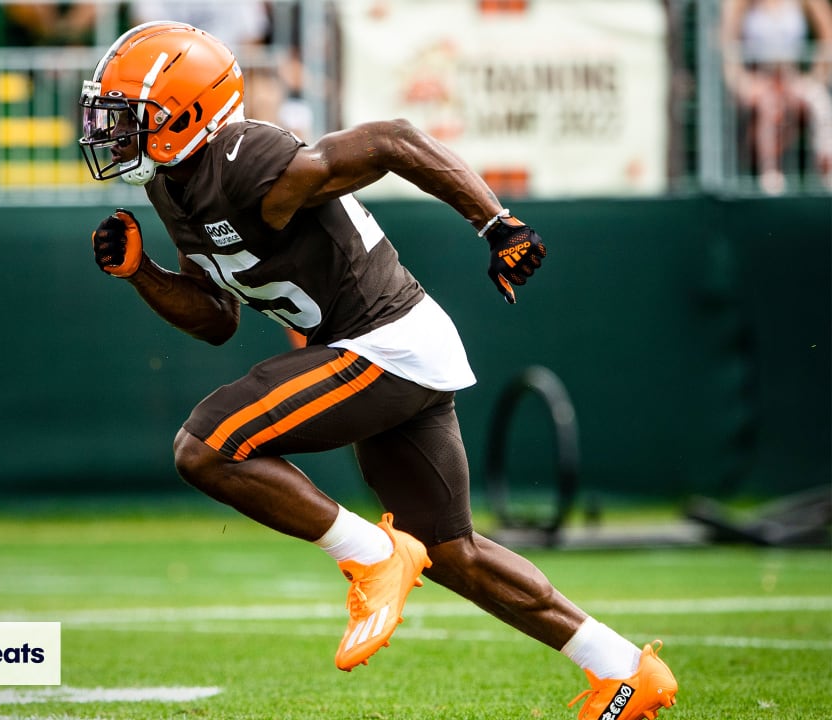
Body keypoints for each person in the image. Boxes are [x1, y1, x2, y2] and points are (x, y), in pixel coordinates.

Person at [79, 22, 678, 720]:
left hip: (381, 343)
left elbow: (391, 139)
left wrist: (495, 222)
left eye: (130, 118)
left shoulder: (244, 156)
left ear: (184, 113)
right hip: (392, 349)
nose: (112, 133)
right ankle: (626, 670)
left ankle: (372, 556)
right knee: (455, 555)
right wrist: (142, 274)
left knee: (205, 447)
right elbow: (218, 319)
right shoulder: (173, 188)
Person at [721, 0, 832, 194]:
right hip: (759, 80)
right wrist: (744, 84)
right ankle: (771, 179)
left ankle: (827, 170)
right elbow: (726, 47)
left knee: (820, 102)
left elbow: (828, 39)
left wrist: (813, 78)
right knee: (769, 105)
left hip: (793, 79)